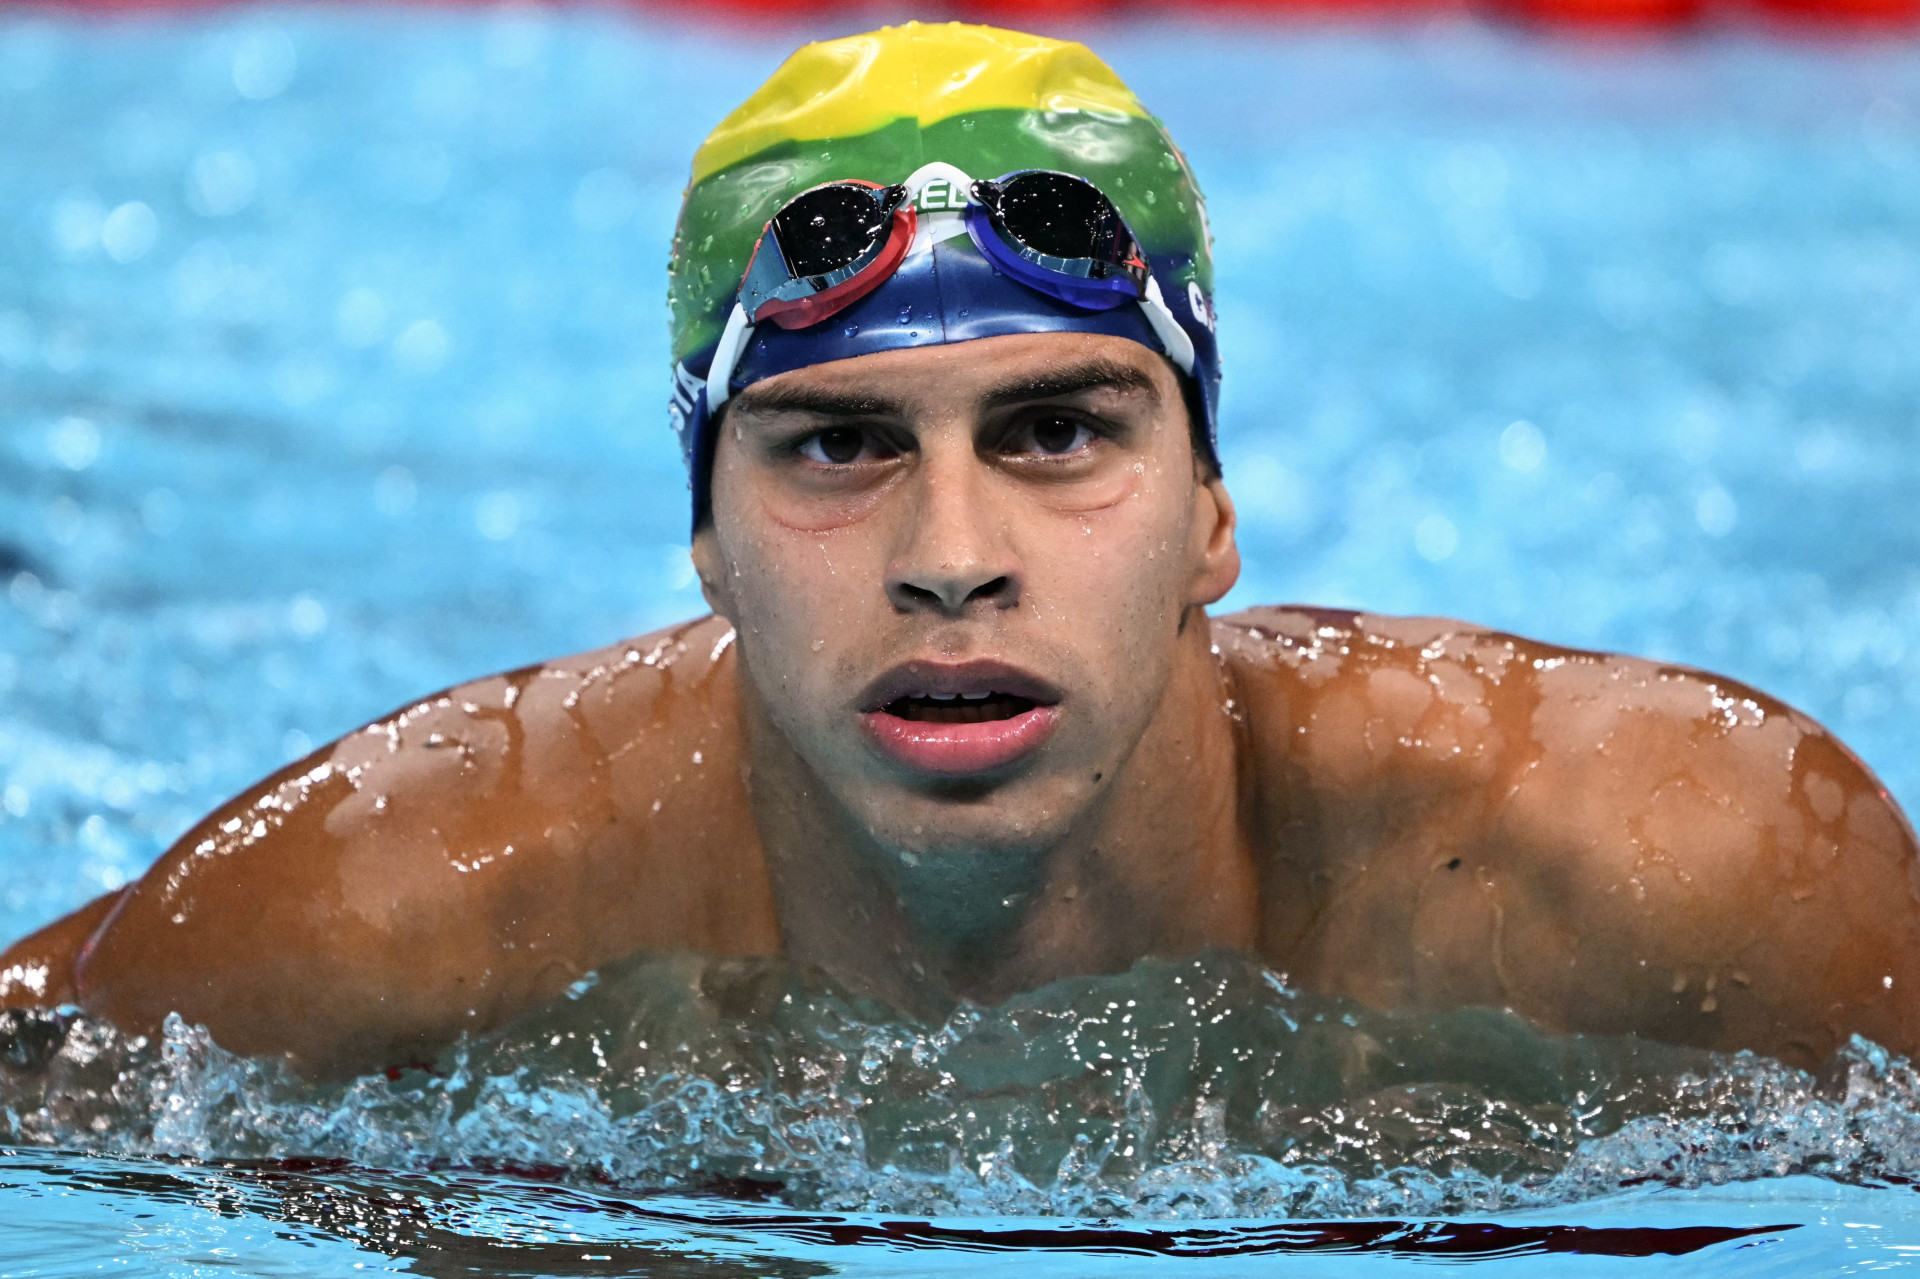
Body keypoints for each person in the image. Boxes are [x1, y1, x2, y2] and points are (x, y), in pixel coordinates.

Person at [4, 23, 1916, 1082]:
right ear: (705, 545)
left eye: (1059, 433)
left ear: (1212, 517)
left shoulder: (1690, 883)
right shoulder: (395, 916)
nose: (949, 560)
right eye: (836, 444)